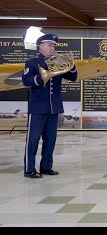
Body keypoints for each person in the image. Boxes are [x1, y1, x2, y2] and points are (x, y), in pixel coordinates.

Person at [22, 33, 77, 178]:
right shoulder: (32, 62)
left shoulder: (58, 61)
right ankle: (29, 169)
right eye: (50, 45)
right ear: (41, 46)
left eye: (54, 45)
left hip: (54, 107)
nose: (53, 48)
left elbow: (73, 77)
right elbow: (27, 81)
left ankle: (46, 167)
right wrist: (44, 76)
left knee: (50, 139)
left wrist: (72, 64)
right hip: (38, 108)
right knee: (33, 139)